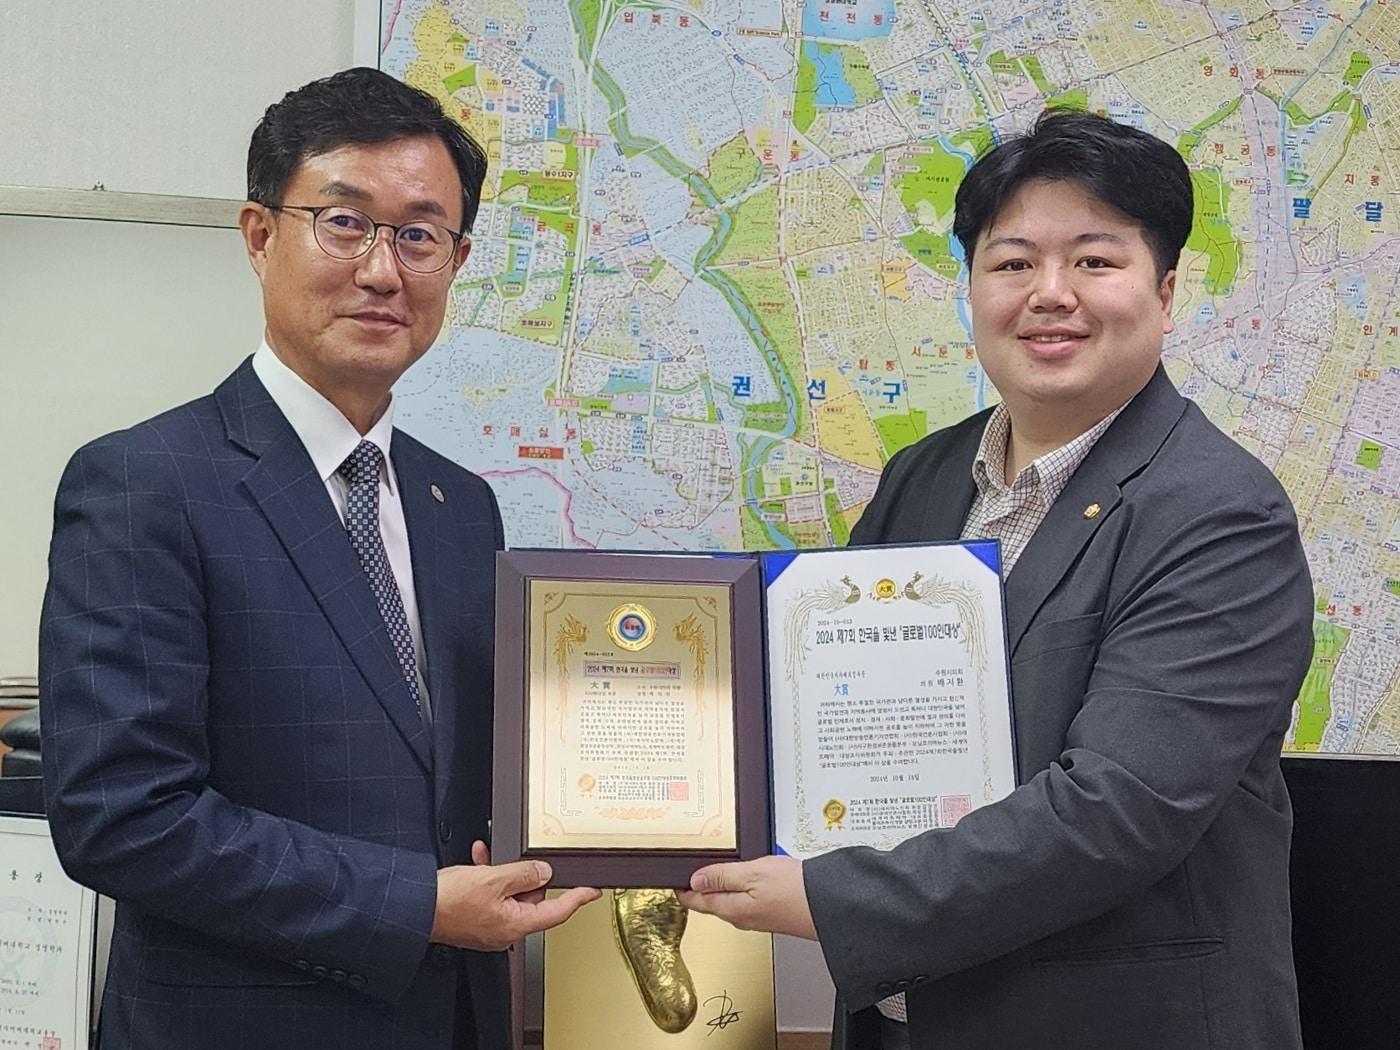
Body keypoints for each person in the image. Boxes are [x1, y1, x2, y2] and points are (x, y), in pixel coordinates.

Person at [681, 110, 1314, 1050]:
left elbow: (1117, 811)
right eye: (1013, 263)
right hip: (908, 1019)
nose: (1049, 294)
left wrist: (832, 894)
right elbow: (820, 703)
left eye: (1095, 262)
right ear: (973, 287)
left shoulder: (1220, 515)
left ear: (1167, 291)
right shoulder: (923, 479)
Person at [39, 68, 597, 1050]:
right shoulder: (141, 483)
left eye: (421, 235)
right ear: (259, 236)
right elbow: (120, 816)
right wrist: (413, 906)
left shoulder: (461, 505)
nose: (384, 271)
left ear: (457, 259)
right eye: (344, 223)